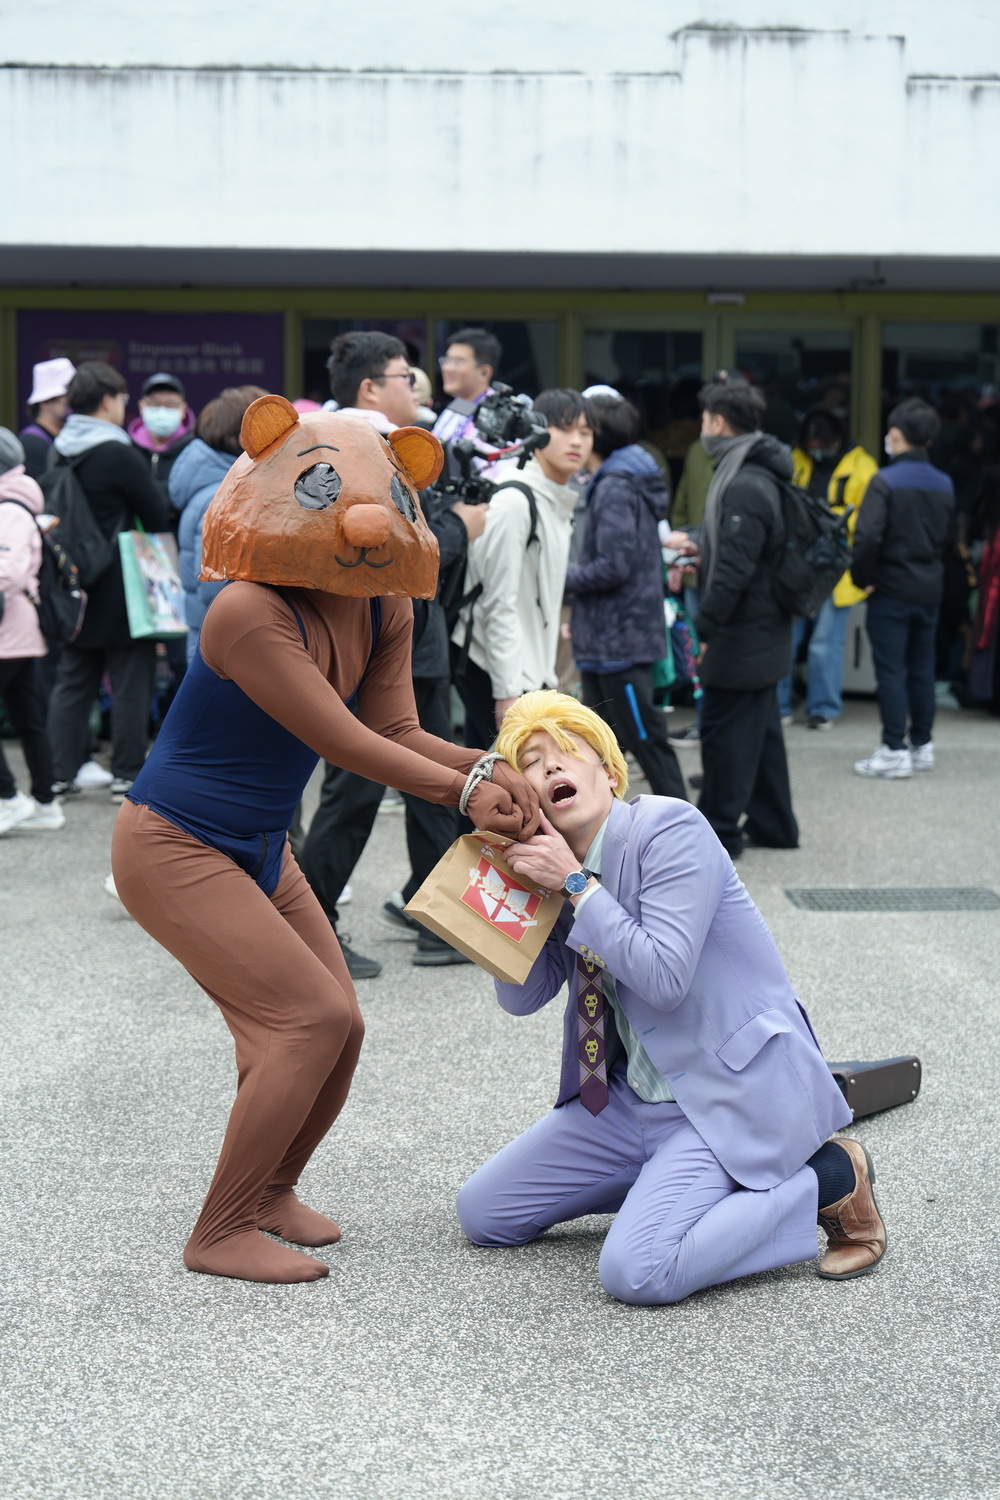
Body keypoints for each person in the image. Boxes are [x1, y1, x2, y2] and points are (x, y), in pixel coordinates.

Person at [110, 395, 538, 1284]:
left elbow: (400, 730)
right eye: (323, 490)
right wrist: (466, 790)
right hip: (174, 844)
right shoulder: (246, 611)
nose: (366, 517)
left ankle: (270, 1193)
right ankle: (219, 1230)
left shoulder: (385, 605)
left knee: (341, 1025)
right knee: (307, 1019)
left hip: (262, 846)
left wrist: (493, 763)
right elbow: (341, 741)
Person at [456, 691, 886, 1304]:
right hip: (623, 1100)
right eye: (529, 763)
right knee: (485, 1214)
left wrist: (576, 885)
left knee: (636, 1271)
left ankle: (827, 1180)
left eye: (567, 750)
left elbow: (663, 977)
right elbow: (523, 999)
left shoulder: (669, 830)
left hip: (718, 1098)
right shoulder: (552, 870)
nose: (548, 766)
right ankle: (675, 1188)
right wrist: (508, 900)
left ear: (609, 772)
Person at [298, 332, 488, 976]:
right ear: (370, 388)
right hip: (383, 638)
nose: (417, 387)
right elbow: (394, 551)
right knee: (358, 783)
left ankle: (434, 917)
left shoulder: (330, 445)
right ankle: (311, 924)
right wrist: (460, 524)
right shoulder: (367, 450)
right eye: (406, 376)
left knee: (425, 782)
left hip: (390, 639)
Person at [46, 361, 169, 802]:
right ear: (106, 401)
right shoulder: (117, 452)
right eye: (121, 398)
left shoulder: (60, 449)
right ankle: (126, 773)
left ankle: (58, 774)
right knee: (130, 678)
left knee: (74, 679)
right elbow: (155, 512)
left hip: (75, 580)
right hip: (121, 581)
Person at [690, 374, 799, 859]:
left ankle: (719, 833)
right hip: (763, 627)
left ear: (717, 422)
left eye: (704, 419)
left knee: (724, 732)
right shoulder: (755, 472)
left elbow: (735, 569)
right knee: (759, 729)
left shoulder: (746, 483)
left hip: (745, 631)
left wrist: (705, 627)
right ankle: (775, 824)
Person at [452, 389, 594, 748]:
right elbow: (498, 601)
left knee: (488, 773)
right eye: (564, 429)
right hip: (496, 670)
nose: (577, 441)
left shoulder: (554, 499)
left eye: (586, 431)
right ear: (536, 432)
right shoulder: (514, 500)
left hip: (526, 669)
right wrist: (507, 690)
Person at [566, 392, 686, 799]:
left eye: (584, 429)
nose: (576, 438)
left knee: (644, 739)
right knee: (606, 747)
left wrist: (556, 579)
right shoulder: (621, 476)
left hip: (618, 640)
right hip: (613, 639)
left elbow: (613, 565)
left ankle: (681, 828)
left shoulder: (616, 484)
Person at [851, 399, 956, 778]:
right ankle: (921, 744)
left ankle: (894, 749)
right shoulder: (945, 483)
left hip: (891, 588)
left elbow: (866, 538)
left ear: (895, 434)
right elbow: (948, 538)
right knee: (922, 669)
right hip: (929, 587)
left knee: (891, 671)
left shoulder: (886, 481)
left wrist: (862, 578)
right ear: (929, 439)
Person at [778, 410, 877, 729]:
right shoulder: (794, 459)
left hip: (838, 568)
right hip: (796, 564)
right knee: (785, 638)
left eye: (824, 445)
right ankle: (778, 705)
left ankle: (823, 708)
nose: (818, 451)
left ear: (838, 439)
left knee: (825, 643)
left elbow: (871, 522)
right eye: (813, 445)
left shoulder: (863, 467)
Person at [169, 385, 268, 662]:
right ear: (241, 437)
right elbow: (217, 587)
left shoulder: (216, 487)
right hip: (227, 652)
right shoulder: (227, 496)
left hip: (213, 644)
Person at [0, 430, 64, 833]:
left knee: (28, 717)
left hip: (8, 630)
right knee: (27, 717)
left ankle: (8, 798)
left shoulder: (8, 509)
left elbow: (6, 571)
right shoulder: (16, 503)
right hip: (18, 630)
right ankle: (44, 802)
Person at [128, 372, 196, 500]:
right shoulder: (127, 448)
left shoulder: (195, 449)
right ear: (141, 407)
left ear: (183, 409)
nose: (162, 411)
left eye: (170, 405)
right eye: (154, 404)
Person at [432, 328, 501, 447]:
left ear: (484, 372)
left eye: (459, 362)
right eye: (447, 360)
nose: (448, 368)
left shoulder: (496, 414)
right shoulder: (458, 405)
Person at [19, 358, 76, 484]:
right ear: (45, 402)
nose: (74, 403)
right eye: (68, 397)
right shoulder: (32, 443)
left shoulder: (63, 439)